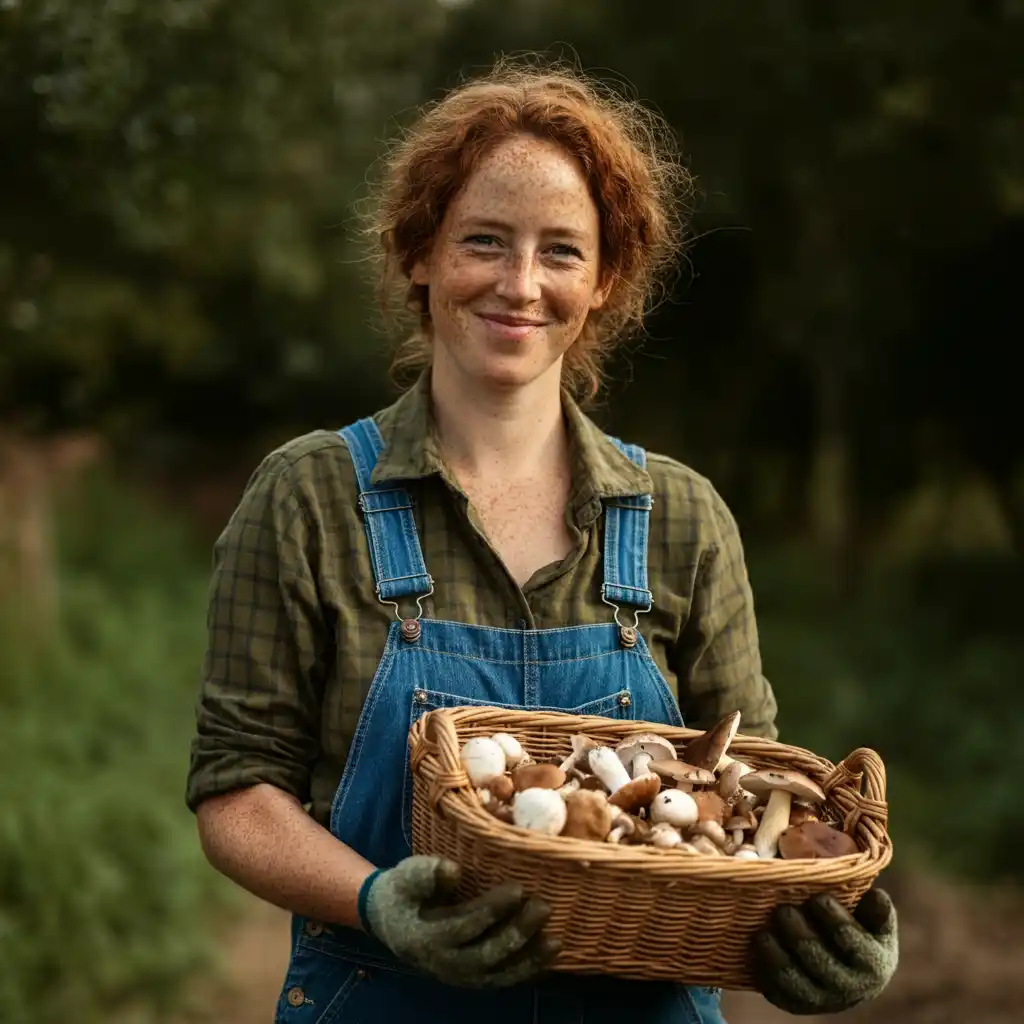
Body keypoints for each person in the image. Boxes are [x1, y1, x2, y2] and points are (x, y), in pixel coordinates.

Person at [186, 59, 898, 1023]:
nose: (520, 285)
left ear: (605, 280)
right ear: (419, 253)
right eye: (484, 240)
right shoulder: (310, 498)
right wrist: (374, 902)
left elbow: (755, 808)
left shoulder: (683, 519)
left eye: (561, 251)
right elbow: (236, 789)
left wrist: (826, 933)